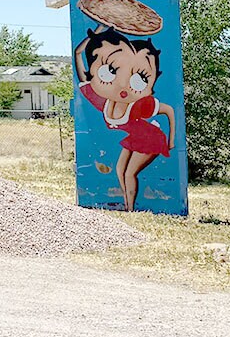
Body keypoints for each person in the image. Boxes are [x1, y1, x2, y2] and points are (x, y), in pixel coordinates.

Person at [73, 26, 175, 212]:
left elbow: (169, 110)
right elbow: (78, 54)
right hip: (135, 139)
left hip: (151, 139)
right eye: (109, 72)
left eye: (138, 79)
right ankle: (128, 207)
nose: (123, 85)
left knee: (129, 173)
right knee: (120, 171)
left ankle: (130, 209)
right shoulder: (101, 102)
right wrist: (96, 34)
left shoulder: (138, 105)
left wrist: (171, 141)